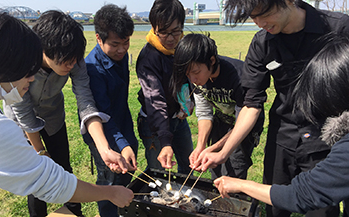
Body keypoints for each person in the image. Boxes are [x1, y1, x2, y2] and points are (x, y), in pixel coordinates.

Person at [192, 0, 349, 216]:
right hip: (282, 137)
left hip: (325, 137)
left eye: (263, 14)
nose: (259, 23)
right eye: (252, 17)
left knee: (320, 208)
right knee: (274, 207)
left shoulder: (339, 28)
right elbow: (251, 104)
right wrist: (223, 152)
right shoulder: (262, 42)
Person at [0, 11, 133, 217]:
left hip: (52, 119)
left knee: (60, 165)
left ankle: (74, 212)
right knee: (36, 179)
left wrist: (104, 148)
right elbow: (45, 180)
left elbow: (86, 102)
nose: (32, 78)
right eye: (27, 70)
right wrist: (111, 192)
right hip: (22, 126)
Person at [171, 33, 264, 180]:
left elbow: (242, 121)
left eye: (196, 73)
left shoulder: (240, 77)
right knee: (215, 169)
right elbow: (204, 113)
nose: (193, 79)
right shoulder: (197, 79)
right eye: (188, 75)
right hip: (221, 120)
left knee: (234, 169)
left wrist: (216, 149)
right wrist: (201, 146)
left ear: (212, 61)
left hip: (246, 125)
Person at [82, 4, 137, 217]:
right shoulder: (93, 69)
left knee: (126, 176)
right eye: (115, 44)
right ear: (98, 38)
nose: (122, 50)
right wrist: (121, 145)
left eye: (126, 43)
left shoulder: (120, 58)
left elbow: (120, 104)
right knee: (107, 180)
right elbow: (102, 114)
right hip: (102, 132)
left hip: (122, 123)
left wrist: (127, 142)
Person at [136, 0, 193, 174]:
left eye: (175, 32)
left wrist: (187, 104)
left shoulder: (183, 48)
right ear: (154, 28)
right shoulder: (148, 58)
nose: (170, 39)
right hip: (154, 123)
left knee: (188, 164)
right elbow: (155, 100)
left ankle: (184, 201)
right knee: (158, 172)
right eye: (163, 33)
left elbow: (189, 79)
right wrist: (165, 141)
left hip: (178, 117)